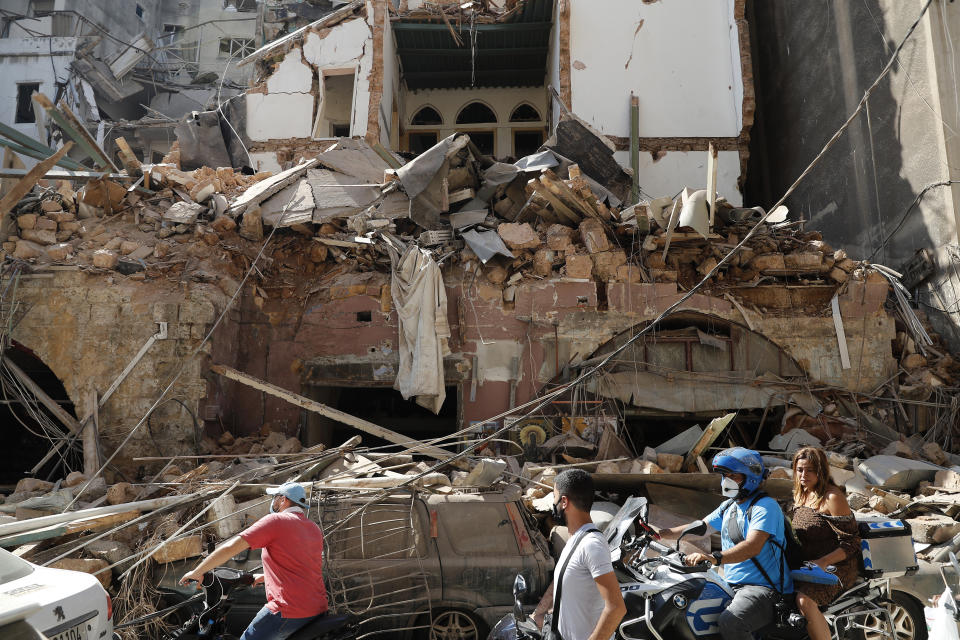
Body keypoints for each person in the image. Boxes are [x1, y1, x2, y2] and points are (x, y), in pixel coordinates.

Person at [657, 447, 793, 640]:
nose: (726, 481)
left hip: (763, 589)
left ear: (750, 477)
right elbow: (701, 528)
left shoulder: (765, 507)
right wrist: (660, 535)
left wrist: (713, 558)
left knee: (732, 622)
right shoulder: (730, 506)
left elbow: (753, 546)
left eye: (733, 476)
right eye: (724, 475)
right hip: (729, 584)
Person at [179, 482, 327, 640]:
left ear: (283, 500)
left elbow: (231, 547)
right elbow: (302, 564)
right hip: (317, 607)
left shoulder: (276, 521)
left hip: (288, 609)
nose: (273, 501)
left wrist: (197, 572)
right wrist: (265, 576)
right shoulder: (313, 528)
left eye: (275, 497)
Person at [531, 469, 626, 640]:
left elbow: (616, 608)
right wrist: (539, 613)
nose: (553, 503)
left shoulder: (592, 544)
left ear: (564, 501)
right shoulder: (575, 539)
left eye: (554, 497)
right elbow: (561, 580)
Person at [789, 446, 860, 640]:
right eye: (800, 469)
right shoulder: (800, 494)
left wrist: (824, 562)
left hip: (837, 567)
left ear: (821, 471)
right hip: (807, 565)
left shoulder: (832, 497)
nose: (804, 475)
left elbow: (851, 542)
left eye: (810, 470)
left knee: (804, 600)